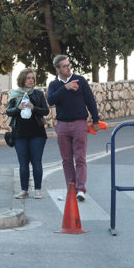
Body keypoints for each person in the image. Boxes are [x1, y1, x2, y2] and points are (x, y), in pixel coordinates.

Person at [46, 55, 99, 201]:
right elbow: (50, 101)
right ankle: (71, 188)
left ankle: (80, 189)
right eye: (65, 66)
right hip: (62, 125)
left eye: (69, 65)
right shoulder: (54, 85)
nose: (68, 68)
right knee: (66, 160)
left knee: (80, 158)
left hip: (79, 123)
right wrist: (65, 88)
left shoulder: (80, 80)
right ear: (57, 69)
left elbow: (90, 100)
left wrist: (96, 119)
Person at [6, 68, 50, 199]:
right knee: (23, 163)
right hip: (20, 133)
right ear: (22, 80)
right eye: (28, 78)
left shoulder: (38, 94)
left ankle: (38, 190)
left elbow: (46, 111)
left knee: (36, 161)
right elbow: (9, 112)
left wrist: (33, 107)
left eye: (32, 78)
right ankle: (24, 190)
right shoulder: (15, 95)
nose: (31, 80)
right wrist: (17, 108)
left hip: (37, 132)